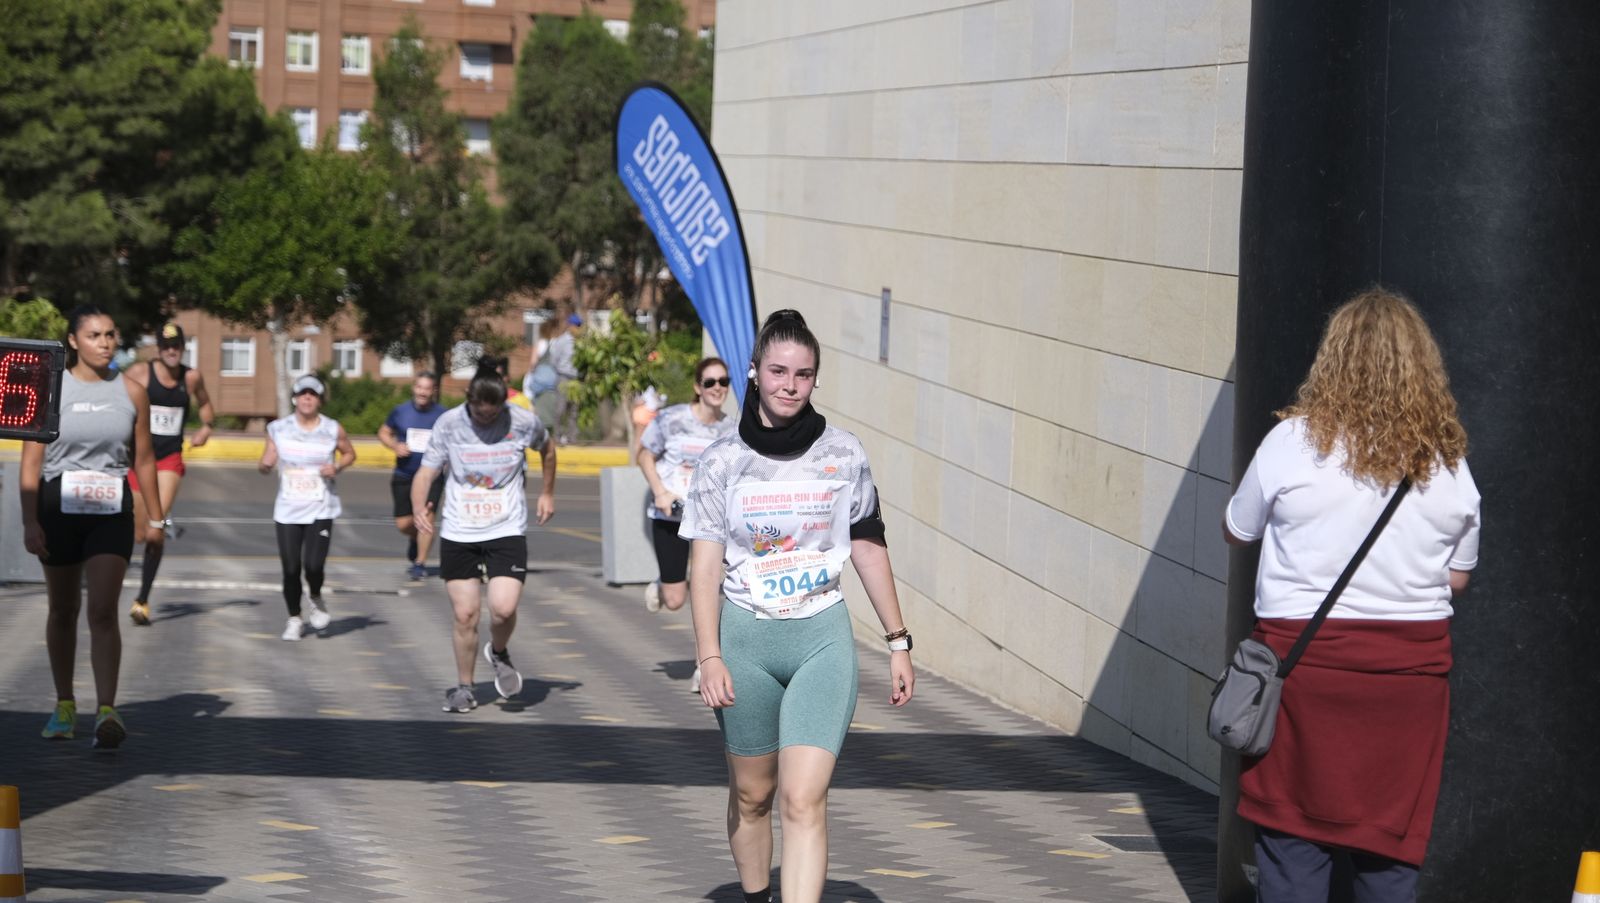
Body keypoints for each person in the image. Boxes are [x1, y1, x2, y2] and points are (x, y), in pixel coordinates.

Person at [1222, 288, 1480, 903]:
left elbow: (1238, 530)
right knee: (1388, 859)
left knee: (1290, 850)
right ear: (1424, 366)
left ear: (1331, 360)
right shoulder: (1448, 460)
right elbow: (1458, 577)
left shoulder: (1291, 442)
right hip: (1405, 690)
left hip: (1304, 678)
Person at [679, 310, 915, 903]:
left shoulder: (843, 454)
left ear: (815, 380)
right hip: (745, 641)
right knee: (754, 795)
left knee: (803, 798)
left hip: (821, 638)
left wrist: (898, 641)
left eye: (803, 374)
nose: (789, 385)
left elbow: (867, 543)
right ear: (754, 373)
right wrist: (709, 656)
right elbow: (704, 566)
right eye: (778, 371)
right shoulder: (722, 461)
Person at [24, 305, 166, 749]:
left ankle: (107, 709)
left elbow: (144, 459)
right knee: (62, 610)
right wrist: (30, 522)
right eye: (93, 335)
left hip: (109, 511)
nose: (104, 343)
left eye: (109, 335)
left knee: (102, 610)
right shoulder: (50, 390)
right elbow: (32, 464)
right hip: (58, 509)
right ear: (73, 341)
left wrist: (158, 518)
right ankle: (65, 703)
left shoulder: (133, 391)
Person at [412, 361, 557, 713]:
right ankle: (464, 687)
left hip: (506, 528)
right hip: (460, 529)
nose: (485, 420)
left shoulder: (522, 422)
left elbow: (548, 451)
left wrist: (547, 492)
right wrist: (419, 506)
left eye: (493, 414)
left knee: (504, 609)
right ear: (469, 400)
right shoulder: (449, 424)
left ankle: (499, 651)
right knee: (466, 615)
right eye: (479, 413)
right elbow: (426, 471)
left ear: (502, 406)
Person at [636, 358, 735, 691]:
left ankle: (702, 664)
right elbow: (644, 455)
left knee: (706, 589)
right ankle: (663, 582)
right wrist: (660, 492)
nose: (717, 388)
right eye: (710, 382)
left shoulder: (731, 429)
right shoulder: (672, 419)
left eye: (723, 381)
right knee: (676, 598)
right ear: (697, 387)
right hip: (669, 515)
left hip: (709, 522)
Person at [124, 322, 214, 625]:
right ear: (158, 349)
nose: (171, 351)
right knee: (138, 533)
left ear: (183, 348)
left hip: (168, 460)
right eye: (166, 346)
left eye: (176, 346)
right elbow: (113, 400)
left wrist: (206, 427)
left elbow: (205, 404)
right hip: (137, 459)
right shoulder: (139, 373)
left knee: (155, 528)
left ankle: (143, 600)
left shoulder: (191, 377)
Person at [258, 374, 357, 641]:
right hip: (288, 508)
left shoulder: (332, 428)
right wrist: (266, 464)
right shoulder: (278, 428)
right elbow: (266, 460)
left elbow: (350, 453)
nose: (307, 398)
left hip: (321, 507)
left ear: (320, 400)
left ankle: (314, 595)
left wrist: (336, 466)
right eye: (303, 394)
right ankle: (294, 618)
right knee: (291, 568)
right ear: (295, 398)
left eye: (312, 394)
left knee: (313, 566)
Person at [379, 371, 445, 581]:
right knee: (404, 524)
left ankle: (420, 563)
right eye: (420, 387)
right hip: (404, 473)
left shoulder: (443, 415)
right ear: (414, 388)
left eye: (427, 388)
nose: (423, 392)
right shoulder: (400, 412)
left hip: (432, 475)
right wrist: (395, 446)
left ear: (433, 391)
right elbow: (383, 432)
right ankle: (416, 538)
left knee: (427, 517)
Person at [546, 313, 582, 444]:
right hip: (564, 377)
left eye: (579, 325)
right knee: (560, 408)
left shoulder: (581, 341)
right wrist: (562, 371)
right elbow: (553, 360)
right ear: (569, 325)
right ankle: (557, 436)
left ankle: (572, 437)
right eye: (575, 325)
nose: (577, 328)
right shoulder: (562, 341)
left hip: (577, 380)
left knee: (574, 410)